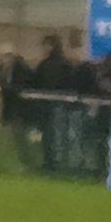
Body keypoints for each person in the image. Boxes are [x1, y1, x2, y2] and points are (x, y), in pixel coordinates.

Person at [34, 34, 76, 173]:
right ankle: (53, 163)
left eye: (46, 45)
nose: (43, 48)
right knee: (54, 134)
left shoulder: (47, 65)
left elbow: (38, 82)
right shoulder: (64, 64)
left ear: (51, 46)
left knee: (54, 135)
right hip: (56, 104)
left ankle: (53, 163)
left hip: (54, 104)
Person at [0, 43, 34, 169]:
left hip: (21, 108)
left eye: (8, 56)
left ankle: (25, 161)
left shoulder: (22, 69)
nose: (5, 59)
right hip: (7, 106)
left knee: (20, 135)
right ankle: (6, 161)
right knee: (8, 135)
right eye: (3, 56)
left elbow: (20, 88)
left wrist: (2, 88)